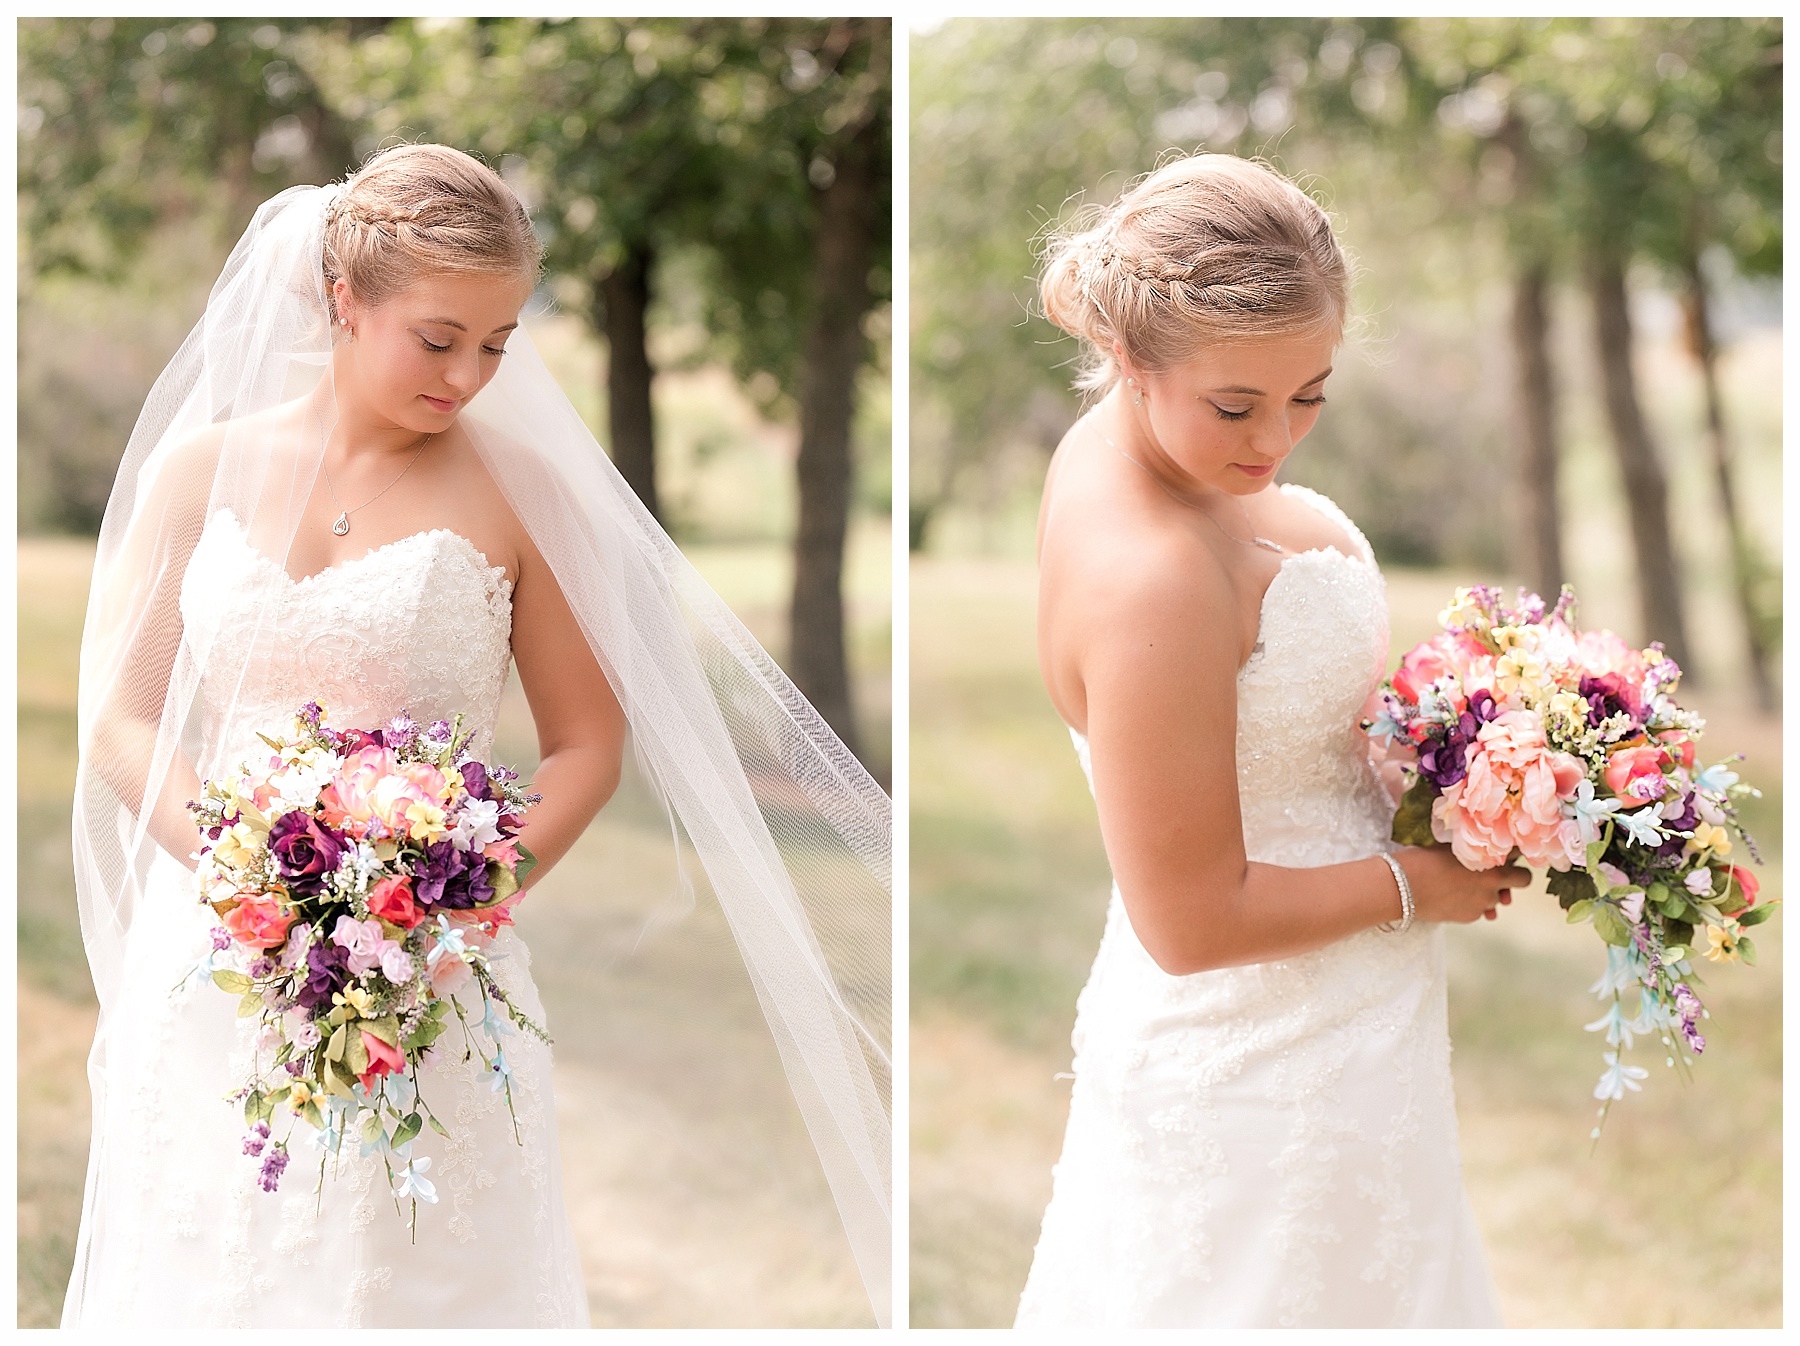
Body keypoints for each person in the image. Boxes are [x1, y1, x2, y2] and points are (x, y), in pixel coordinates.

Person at [64, 144, 890, 1328]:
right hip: (217, 952)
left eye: (498, 344)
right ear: (343, 301)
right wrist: (255, 876)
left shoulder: (525, 493)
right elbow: (122, 716)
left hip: (434, 958)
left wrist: (448, 898)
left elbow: (585, 748)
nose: (470, 373)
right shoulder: (200, 475)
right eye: (440, 336)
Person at [1015, 154, 1516, 1328]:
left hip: (1351, 1028)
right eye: (1237, 406)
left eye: (1312, 395)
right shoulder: (1150, 577)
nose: (1277, 439)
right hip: (1260, 1063)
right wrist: (1418, 882)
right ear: (1131, 358)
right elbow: (1189, 922)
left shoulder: (1119, 437)